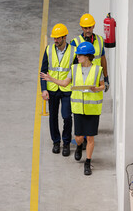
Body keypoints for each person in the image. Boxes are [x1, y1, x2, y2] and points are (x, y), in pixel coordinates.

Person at [40, 42, 105, 175]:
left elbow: (103, 86)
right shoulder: (74, 69)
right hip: (78, 109)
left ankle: (87, 162)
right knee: (79, 137)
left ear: (87, 56)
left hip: (92, 109)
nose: (77, 57)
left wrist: (96, 89)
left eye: (79, 55)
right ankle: (79, 145)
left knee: (91, 138)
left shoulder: (98, 70)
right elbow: (64, 83)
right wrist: (50, 79)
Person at [40, 23, 78, 156]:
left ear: (65, 37)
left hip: (67, 89)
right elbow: (43, 71)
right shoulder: (49, 49)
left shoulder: (73, 51)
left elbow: (75, 70)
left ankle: (66, 142)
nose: (55, 40)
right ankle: (56, 141)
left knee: (67, 116)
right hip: (52, 89)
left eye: (58, 38)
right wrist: (44, 89)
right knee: (53, 117)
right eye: (54, 38)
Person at [71, 13, 109, 92]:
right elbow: (71, 63)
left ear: (93, 26)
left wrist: (105, 77)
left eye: (90, 27)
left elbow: (103, 59)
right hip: (82, 79)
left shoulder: (100, 40)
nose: (88, 30)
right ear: (81, 27)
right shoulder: (75, 42)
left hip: (96, 78)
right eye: (85, 28)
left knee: (96, 101)